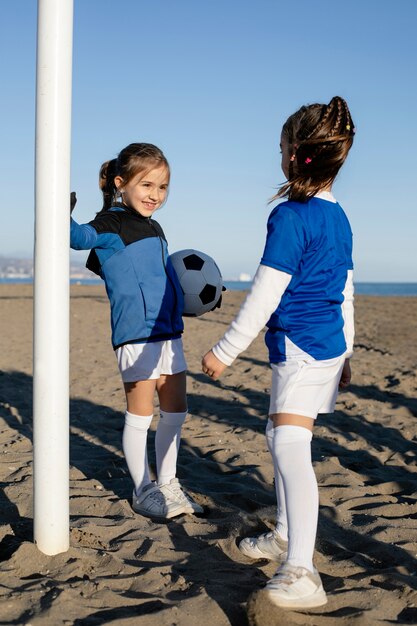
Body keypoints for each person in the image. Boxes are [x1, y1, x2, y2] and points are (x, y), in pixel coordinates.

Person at [202, 96, 355, 609]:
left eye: (282, 146)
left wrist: (225, 349)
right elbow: (345, 288)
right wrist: (349, 351)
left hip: (303, 348)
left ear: (295, 154)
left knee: (290, 448)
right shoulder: (340, 218)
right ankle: (287, 536)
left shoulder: (291, 217)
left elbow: (266, 292)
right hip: (327, 347)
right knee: (277, 434)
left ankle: (302, 571)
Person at [70, 142, 203, 520]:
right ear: (121, 183)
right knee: (141, 414)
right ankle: (143, 489)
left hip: (169, 332)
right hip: (136, 335)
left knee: (176, 411)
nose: (155, 195)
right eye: (146, 185)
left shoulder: (156, 227)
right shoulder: (111, 224)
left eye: (162, 188)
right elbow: (79, 239)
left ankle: (169, 485)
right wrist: (61, 210)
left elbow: (158, 274)